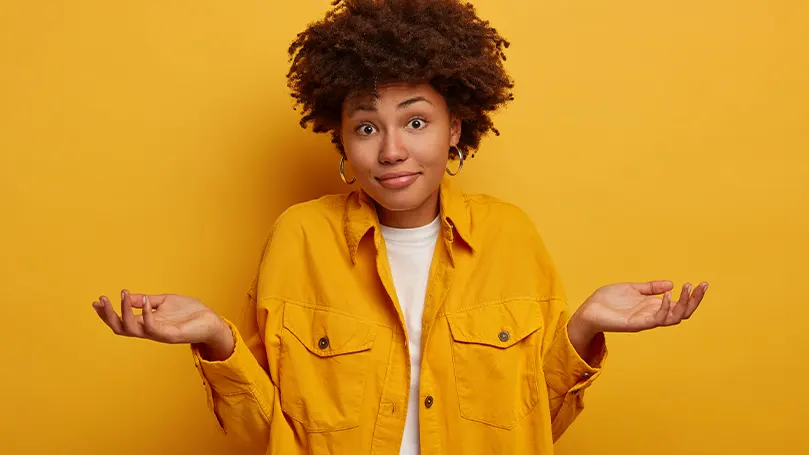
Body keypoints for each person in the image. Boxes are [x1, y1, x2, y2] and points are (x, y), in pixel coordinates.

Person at [91, 1, 708, 454]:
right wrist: (215, 340)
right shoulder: (299, 236)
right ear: (342, 139)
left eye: (416, 122)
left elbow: (532, 425)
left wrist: (586, 326)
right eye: (367, 127)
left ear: (456, 128)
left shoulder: (511, 235)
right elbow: (270, 432)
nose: (391, 150)